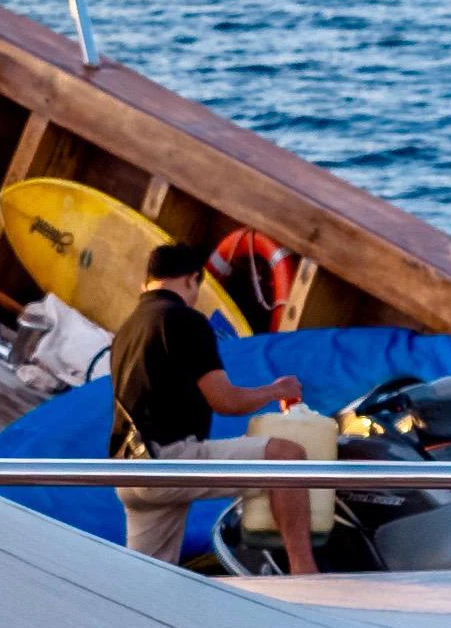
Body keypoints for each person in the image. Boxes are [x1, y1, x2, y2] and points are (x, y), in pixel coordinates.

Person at [107, 237, 318, 580]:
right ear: (191, 279)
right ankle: (305, 575)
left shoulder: (127, 330)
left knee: (145, 581)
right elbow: (226, 402)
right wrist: (277, 390)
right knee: (287, 456)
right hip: (168, 463)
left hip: (127, 471)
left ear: (147, 281)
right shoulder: (183, 320)